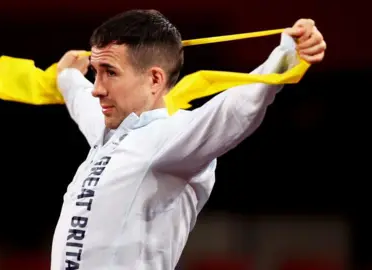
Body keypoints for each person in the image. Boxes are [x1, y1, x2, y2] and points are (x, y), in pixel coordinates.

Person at [51, 9, 326, 270]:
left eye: (110, 72)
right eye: (95, 72)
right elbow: (81, 101)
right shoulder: (108, 133)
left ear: (154, 80)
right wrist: (69, 77)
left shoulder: (172, 136)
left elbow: (236, 107)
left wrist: (287, 54)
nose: (97, 89)